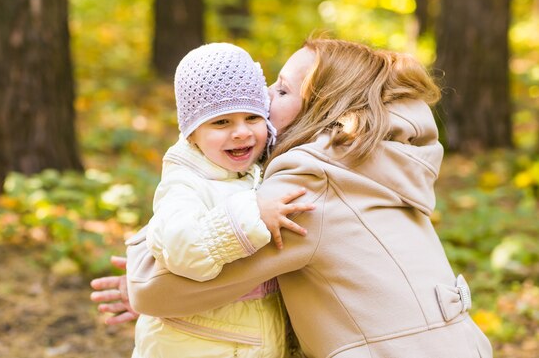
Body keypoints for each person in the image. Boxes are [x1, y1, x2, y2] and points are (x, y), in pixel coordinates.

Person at [92, 37, 493, 358]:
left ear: (320, 110)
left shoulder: (313, 183)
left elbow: (155, 289)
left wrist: (139, 272)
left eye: (282, 89)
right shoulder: (375, 159)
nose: (263, 97)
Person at [115, 42, 314, 358]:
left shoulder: (255, 175)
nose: (240, 132)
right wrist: (253, 215)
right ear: (192, 133)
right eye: (221, 122)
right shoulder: (184, 183)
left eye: (252, 117)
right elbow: (181, 246)